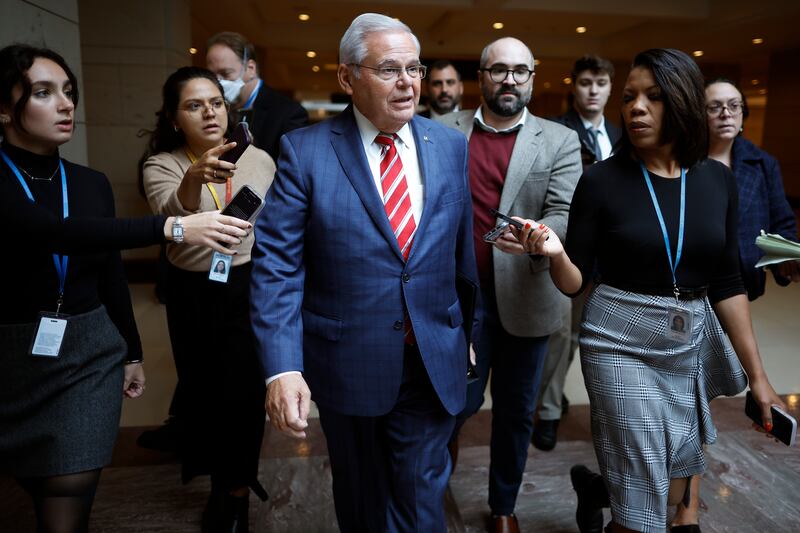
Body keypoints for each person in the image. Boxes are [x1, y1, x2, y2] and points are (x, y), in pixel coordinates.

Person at [511, 48, 785, 533]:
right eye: (630, 97)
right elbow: (575, 283)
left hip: (687, 344)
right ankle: (620, 502)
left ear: (679, 102)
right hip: (618, 340)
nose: (635, 107)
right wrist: (554, 254)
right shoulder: (601, 180)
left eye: (653, 97)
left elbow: (726, 283)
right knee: (642, 511)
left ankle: (596, 489)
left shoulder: (717, 182)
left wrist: (758, 376)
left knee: (673, 491)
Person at [0, 44, 250, 533]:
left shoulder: (89, 183)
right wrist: (173, 228)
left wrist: (130, 351)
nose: (67, 104)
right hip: (12, 350)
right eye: (44, 93)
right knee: (30, 478)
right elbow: (54, 233)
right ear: (5, 109)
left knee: (70, 486)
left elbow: (107, 268)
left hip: (87, 353)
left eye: (68, 92)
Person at [250, 13, 479, 533]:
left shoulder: (448, 147)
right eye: (389, 69)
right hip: (347, 360)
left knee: (422, 494)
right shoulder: (305, 152)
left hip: (431, 357)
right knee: (362, 498)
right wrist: (282, 367)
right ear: (348, 77)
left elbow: (459, 256)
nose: (408, 83)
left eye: (414, 69)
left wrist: (466, 330)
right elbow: (279, 267)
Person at [439, 37, 582, 532]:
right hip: (460, 302)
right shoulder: (441, 132)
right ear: (481, 76)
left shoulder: (559, 140)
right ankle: (434, 493)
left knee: (517, 414)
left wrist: (542, 240)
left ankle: (503, 507)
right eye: (499, 70)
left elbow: (564, 211)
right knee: (453, 407)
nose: (509, 80)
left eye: (520, 71)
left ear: (533, 78)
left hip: (529, 297)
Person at [141, 66, 274, 531]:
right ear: (176, 119)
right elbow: (170, 217)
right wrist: (195, 177)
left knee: (244, 392)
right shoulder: (163, 164)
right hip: (192, 292)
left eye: (215, 102)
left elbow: (274, 225)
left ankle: (234, 489)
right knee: (203, 391)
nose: (209, 112)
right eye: (194, 105)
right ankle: (218, 473)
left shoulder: (258, 160)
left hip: (246, 286)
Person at [533, 54, 623, 452]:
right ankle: (548, 410)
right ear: (575, 86)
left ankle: (554, 398)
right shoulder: (557, 131)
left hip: (616, 252)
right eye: (586, 82)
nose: (593, 90)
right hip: (573, 249)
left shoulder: (622, 134)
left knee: (598, 338)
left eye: (600, 83)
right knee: (563, 335)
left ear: (609, 87)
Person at [705, 78, 799, 300]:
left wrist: (787, 256)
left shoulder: (763, 163)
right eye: (715, 106)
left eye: (734, 105)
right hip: (690, 279)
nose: (726, 113)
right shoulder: (682, 161)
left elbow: (781, 221)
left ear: (742, 113)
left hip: (741, 280)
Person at [206, 31, 308, 161]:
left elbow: (293, 168)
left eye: (226, 73)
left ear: (251, 68)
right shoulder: (211, 109)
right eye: (212, 76)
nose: (218, 82)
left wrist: (254, 150)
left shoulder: (289, 113)